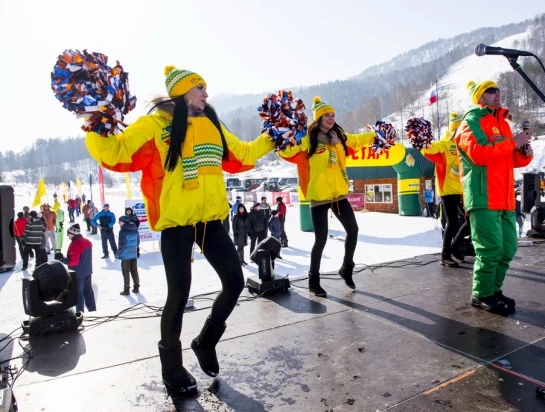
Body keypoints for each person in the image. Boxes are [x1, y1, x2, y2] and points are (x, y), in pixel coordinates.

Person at [84, 65, 275, 395]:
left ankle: (205, 341)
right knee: (179, 294)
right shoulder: (156, 124)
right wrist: (95, 122)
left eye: (205, 88)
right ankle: (171, 368)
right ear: (182, 91)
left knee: (235, 281)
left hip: (211, 221)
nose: (205, 93)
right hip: (178, 224)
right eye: (200, 87)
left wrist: (273, 137)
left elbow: (241, 153)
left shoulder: (212, 124)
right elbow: (114, 151)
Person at [278, 96, 380, 297]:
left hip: (339, 195)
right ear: (318, 118)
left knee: (353, 230)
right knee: (321, 240)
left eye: (333, 114)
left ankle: (346, 268)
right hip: (319, 197)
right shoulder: (308, 139)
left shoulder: (339, 137)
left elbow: (358, 140)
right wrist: (280, 138)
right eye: (327, 115)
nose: (331, 118)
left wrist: (376, 135)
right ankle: (313, 280)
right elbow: (289, 149)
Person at [456, 80, 533, 315]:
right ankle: (481, 294)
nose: (497, 93)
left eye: (498, 89)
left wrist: (523, 153)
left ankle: (493, 289)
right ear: (480, 96)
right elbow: (479, 154)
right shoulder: (470, 122)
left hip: (506, 196)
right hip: (483, 195)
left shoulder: (505, 124)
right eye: (491, 90)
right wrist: (512, 143)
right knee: (489, 250)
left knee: (507, 248)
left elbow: (511, 159)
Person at [421, 112, 470, 267]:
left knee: (471, 221)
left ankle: (454, 247)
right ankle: (445, 254)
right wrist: (421, 139)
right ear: (455, 128)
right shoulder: (444, 145)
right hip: (447, 190)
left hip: (461, 190)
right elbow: (427, 149)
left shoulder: (463, 145)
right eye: (461, 127)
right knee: (452, 223)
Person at [61, 224, 96, 313]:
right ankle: (93, 310)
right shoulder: (87, 241)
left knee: (79, 294)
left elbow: (73, 262)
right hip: (87, 271)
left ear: (73, 233)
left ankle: (79, 313)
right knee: (88, 292)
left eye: (68, 233)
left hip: (78, 273)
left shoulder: (75, 244)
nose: (67, 235)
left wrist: (62, 259)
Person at [116, 215, 140, 295]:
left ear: (123, 222)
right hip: (133, 253)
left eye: (120, 221)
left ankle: (126, 289)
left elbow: (122, 245)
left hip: (125, 255)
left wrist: (118, 254)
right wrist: (133, 249)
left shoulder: (123, 231)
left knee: (126, 272)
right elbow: (138, 242)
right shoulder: (135, 228)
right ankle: (136, 287)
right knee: (134, 270)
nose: (119, 223)